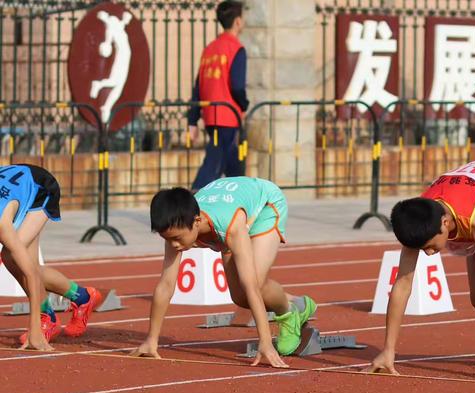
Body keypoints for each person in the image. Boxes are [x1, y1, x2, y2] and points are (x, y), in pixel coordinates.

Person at [132, 176, 317, 367]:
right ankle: (296, 302)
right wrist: (151, 340)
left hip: (265, 205)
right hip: (230, 206)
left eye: (177, 238)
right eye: (167, 239)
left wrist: (266, 342)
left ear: (196, 222)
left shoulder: (230, 226)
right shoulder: (177, 227)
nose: (173, 245)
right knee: (238, 297)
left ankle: (290, 311)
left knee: (256, 283)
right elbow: (166, 285)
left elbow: (251, 285)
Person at [366, 160, 475, 374]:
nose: (428, 253)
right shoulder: (417, 218)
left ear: (445, 224)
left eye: (428, 246)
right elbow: (402, 284)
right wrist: (388, 350)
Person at [0, 163, 102, 350]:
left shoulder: (2, 225)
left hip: (40, 188)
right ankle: (81, 297)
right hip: (20, 185)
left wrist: (35, 332)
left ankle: (45, 318)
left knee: (12, 257)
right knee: (20, 258)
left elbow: (30, 274)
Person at [187, 0, 249, 191]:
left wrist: (192, 119)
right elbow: (237, 86)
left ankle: (239, 207)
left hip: (211, 116)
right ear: (237, 21)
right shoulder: (236, 49)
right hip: (228, 116)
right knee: (215, 164)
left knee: (234, 166)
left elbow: (198, 87)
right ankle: (192, 204)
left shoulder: (210, 49)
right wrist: (244, 105)